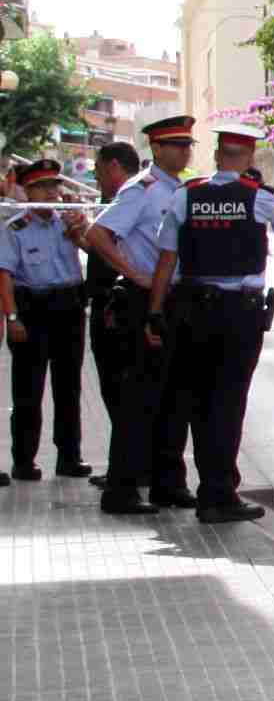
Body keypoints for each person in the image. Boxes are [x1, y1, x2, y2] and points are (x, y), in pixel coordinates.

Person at [145, 122, 274, 524]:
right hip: (238, 313)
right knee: (228, 401)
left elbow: (166, 259)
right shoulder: (258, 197)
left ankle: (206, 485)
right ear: (248, 158)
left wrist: (155, 311)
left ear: (215, 155)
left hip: (190, 310)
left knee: (194, 400)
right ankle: (218, 493)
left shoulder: (184, 196)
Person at [81, 112, 199, 515]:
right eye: (177, 145)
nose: (184, 152)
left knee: (175, 398)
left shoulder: (180, 190)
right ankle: (122, 489)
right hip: (144, 299)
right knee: (141, 400)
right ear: (157, 148)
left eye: (188, 145)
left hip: (176, 298)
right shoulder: (141, 189)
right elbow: (98, 234)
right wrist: (135, 273)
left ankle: (169, 483)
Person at [2, 159, 91, 482]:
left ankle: (70, 456)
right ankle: (24, 459)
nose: (53, 192)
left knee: (68, 386)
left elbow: (92, 248)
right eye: (44, 186)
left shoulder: (66, 222)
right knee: (28, 389)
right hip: (33, 309)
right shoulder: (15, 227)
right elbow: (5, 275)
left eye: (55, 185)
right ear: (29, 191)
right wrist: (12, 317)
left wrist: (79, 230)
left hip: (68, 307)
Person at [74, 141, 141, 487]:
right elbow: (107, 253)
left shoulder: (131, 199)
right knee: (113, 390)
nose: (97, 178)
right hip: (107, 303)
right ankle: (125, 466)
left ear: (115, 167)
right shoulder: (116, 201)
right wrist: (84, 240)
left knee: (123, 389)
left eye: (99, 171)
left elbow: (121, 254)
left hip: (121, 307)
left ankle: (131, 469)